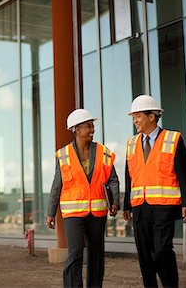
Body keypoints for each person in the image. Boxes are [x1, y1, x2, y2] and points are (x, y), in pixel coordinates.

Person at [123, 95, 186, 288]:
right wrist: (126, 205)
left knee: (162, 250)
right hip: (139, 208)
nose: (135, 121)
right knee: (144, 254)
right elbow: (129, 175)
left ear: (152, 116)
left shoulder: (173, 139)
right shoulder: (131, 143)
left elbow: (183, 173)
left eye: (137, 116)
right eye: (134, 117)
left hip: (164, 207)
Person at [47, 108, 120, 288]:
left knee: (96, 254)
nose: (92, 129)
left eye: (92, 126)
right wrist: (51, 213)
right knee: (76, 252)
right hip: (73, 213)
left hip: (97, 211)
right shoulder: (63, 155)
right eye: (89, 126)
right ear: (77, 129)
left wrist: (115, 201)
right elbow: (57, 185)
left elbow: (113, 179)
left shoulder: (103, 152)